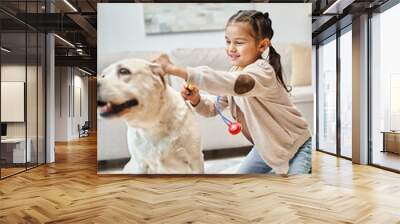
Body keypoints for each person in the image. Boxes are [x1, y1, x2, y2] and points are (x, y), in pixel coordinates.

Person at [153, 10, 312, 175]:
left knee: (296, 189)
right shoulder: (234, 73)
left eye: (239, 42)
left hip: (296, 144)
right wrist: (196, 99)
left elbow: (236, 83)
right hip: (266, 147)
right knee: (238, 183)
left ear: (262, 45)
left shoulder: (262, 72)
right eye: (228, 41)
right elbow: (213, 108)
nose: (231, 48)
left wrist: (174, 70)